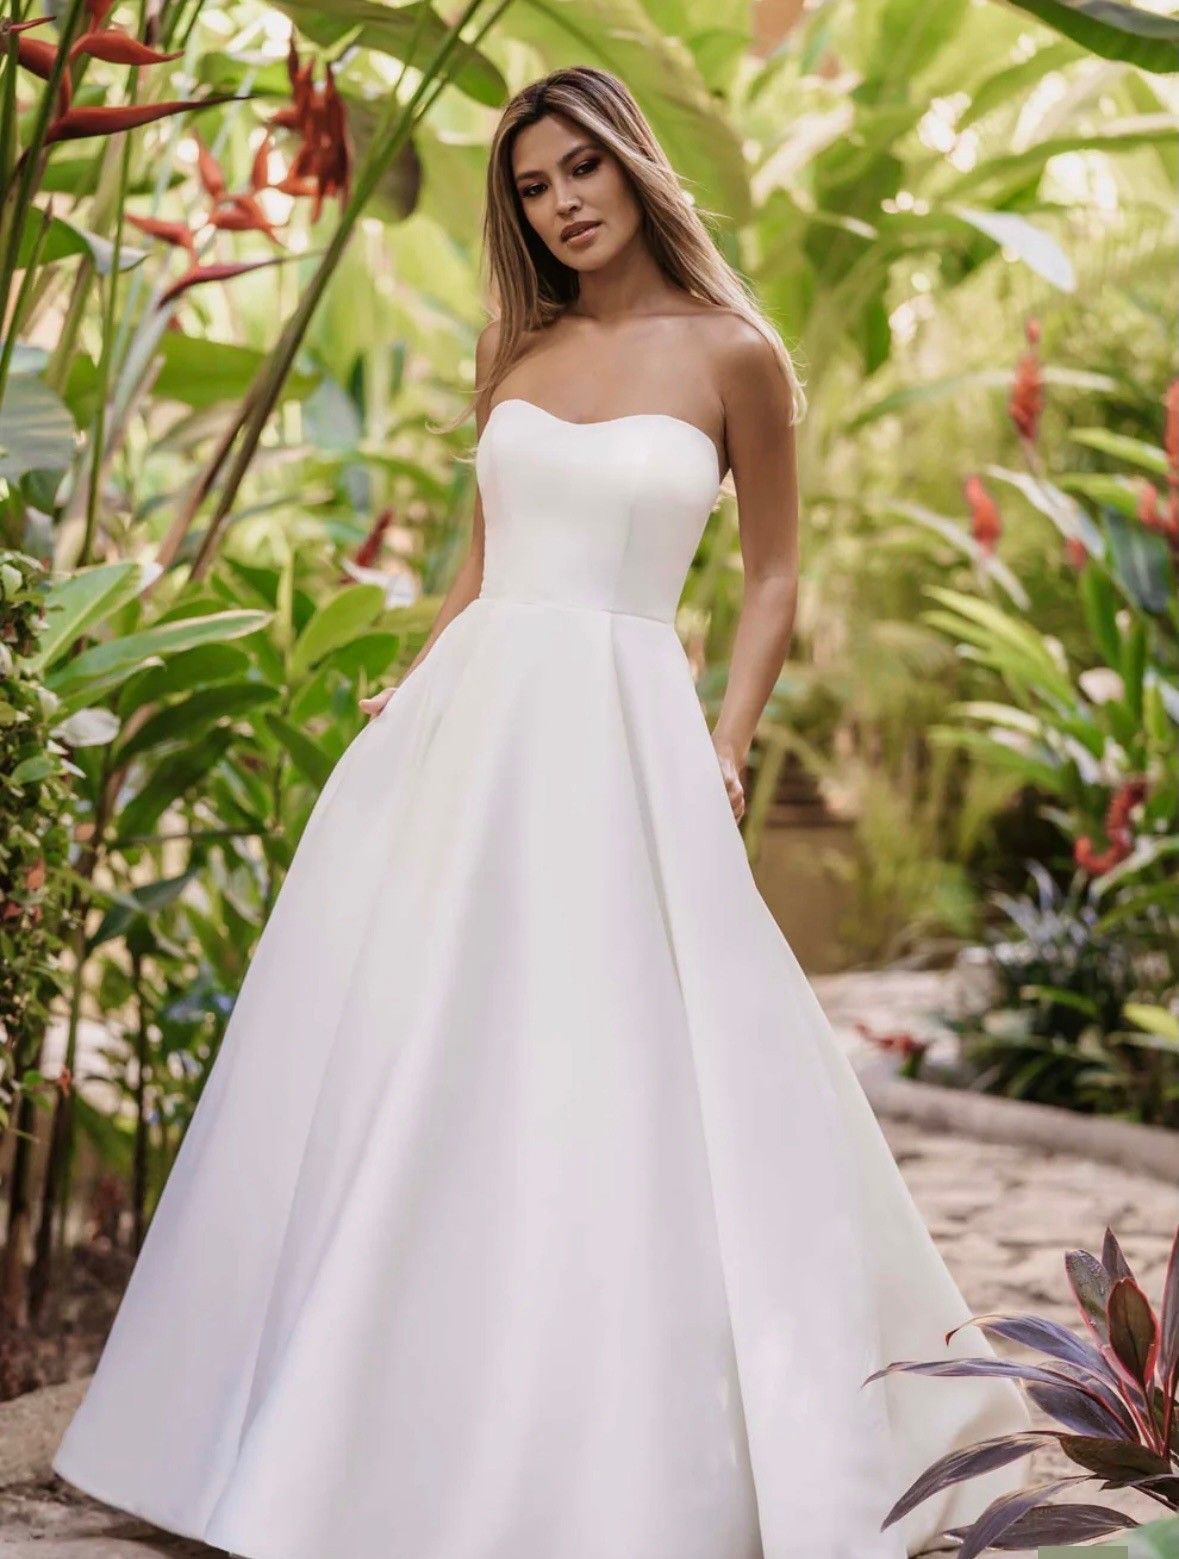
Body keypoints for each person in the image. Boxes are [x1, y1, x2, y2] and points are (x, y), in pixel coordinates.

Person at [52, 64, 1032, 1559]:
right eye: (531, 184)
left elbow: (771, 577)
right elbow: (476, 562)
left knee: (624, 1059)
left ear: (636, 167)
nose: (562, 202)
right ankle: (348, 1424)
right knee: (426, 1048)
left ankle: (621, 1439)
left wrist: (727, 736)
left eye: (583, 169)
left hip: (626, 728)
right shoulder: (521, 346)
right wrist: (418, 680)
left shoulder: (736, 356)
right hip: (476, 723)